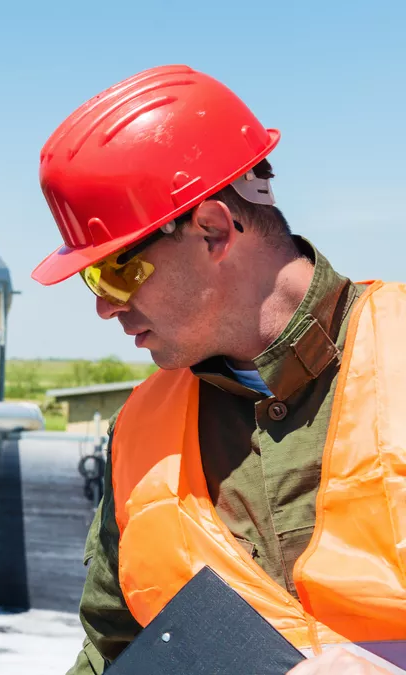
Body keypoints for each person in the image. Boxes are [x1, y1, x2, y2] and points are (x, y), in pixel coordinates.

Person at [31, 65, 406, 675]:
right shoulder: (138, 432)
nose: (104, 305)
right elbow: (111, 651)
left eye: (115, 271)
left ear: (212, 229)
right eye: (90, 280)